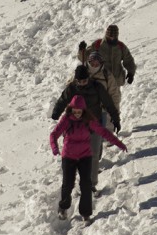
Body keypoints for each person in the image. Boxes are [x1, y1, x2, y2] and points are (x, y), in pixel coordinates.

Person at [50, 95, 127, 223]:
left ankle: (85, 213)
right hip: (68, 156)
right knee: (68, 184)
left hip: (85, 156)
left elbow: (104, 132)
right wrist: (55, 148)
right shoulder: (67, 120)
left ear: (83, 110)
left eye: (79, 112)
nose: (77, 114)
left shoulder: (89, 120)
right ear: (71, 110)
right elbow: (54, 134)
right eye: (75, 112)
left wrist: (119, 143)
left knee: (86, 184)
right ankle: (63, 207)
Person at [51, 65, 121, 195]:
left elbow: (108, 103)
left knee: (93, 155)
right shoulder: (72, 88)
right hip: (75, 126)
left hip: (94, 124)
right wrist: (56, 112)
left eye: (84, 81)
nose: (82, 84)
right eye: (79, 81)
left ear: (88, 78)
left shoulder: (96, 86)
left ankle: (91, 184)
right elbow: (62, 100)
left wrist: (115, 119)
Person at [78, 24, 136, 90]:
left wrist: (131, 72)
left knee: (115, 99)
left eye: (113, 37)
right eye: (109, 36)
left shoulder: (121, 47)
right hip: (100, 80)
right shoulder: (98, 44)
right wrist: (81, 50)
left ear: (116, 36)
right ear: (106, 34)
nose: (111, 38)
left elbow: (129, 60)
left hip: (116, 81)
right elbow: (83, 57)